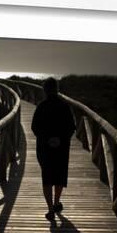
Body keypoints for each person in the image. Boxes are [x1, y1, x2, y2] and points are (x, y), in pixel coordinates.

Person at [31, 77, 76, 221]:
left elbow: (35, 127)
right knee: (59, 177)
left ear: (44, 90)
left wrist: (48, 139)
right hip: (61, 148)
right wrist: (59, 139)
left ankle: (50, 208)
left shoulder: (41, 106)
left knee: (47, 177)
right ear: (57, 89)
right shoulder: (65, 106)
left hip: (45, 148)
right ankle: (56, 202)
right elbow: (71, 127)